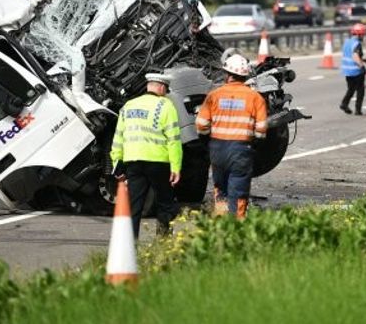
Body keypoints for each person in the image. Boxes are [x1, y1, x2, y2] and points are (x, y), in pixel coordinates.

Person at [110, 71, 182, 238]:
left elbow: (118, 136)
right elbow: (174, 139)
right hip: (159, 162)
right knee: (165, 203)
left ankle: (130, 245)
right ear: (162, 88)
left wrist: (117, 162)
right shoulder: (165, 106)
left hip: (133, 162)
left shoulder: (129, 106)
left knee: (134, 206)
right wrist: (176, 167)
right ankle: (164, 243)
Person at [196, 53, 268, 218]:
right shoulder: (255, 98)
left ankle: (221, 220)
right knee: (239, 187)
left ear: (227, 74)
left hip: (217, 148)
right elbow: (261, 129)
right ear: (245, 75)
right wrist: (253, 144)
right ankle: (237, 224)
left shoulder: (214, 95)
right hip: (241, 149)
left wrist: (207, 141)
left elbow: (201, 124)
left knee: (220, 187)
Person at [339, 23, 366, 115]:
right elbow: (355, 56)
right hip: (356, 71)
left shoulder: (347, 42)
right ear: (359, 34)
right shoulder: (357, 44)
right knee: (360, 90)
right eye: (363, 34)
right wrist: (362, 67)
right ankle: (358, 110)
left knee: (351, 89)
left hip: (347, 71)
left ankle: (344, 103)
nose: (363, 36)